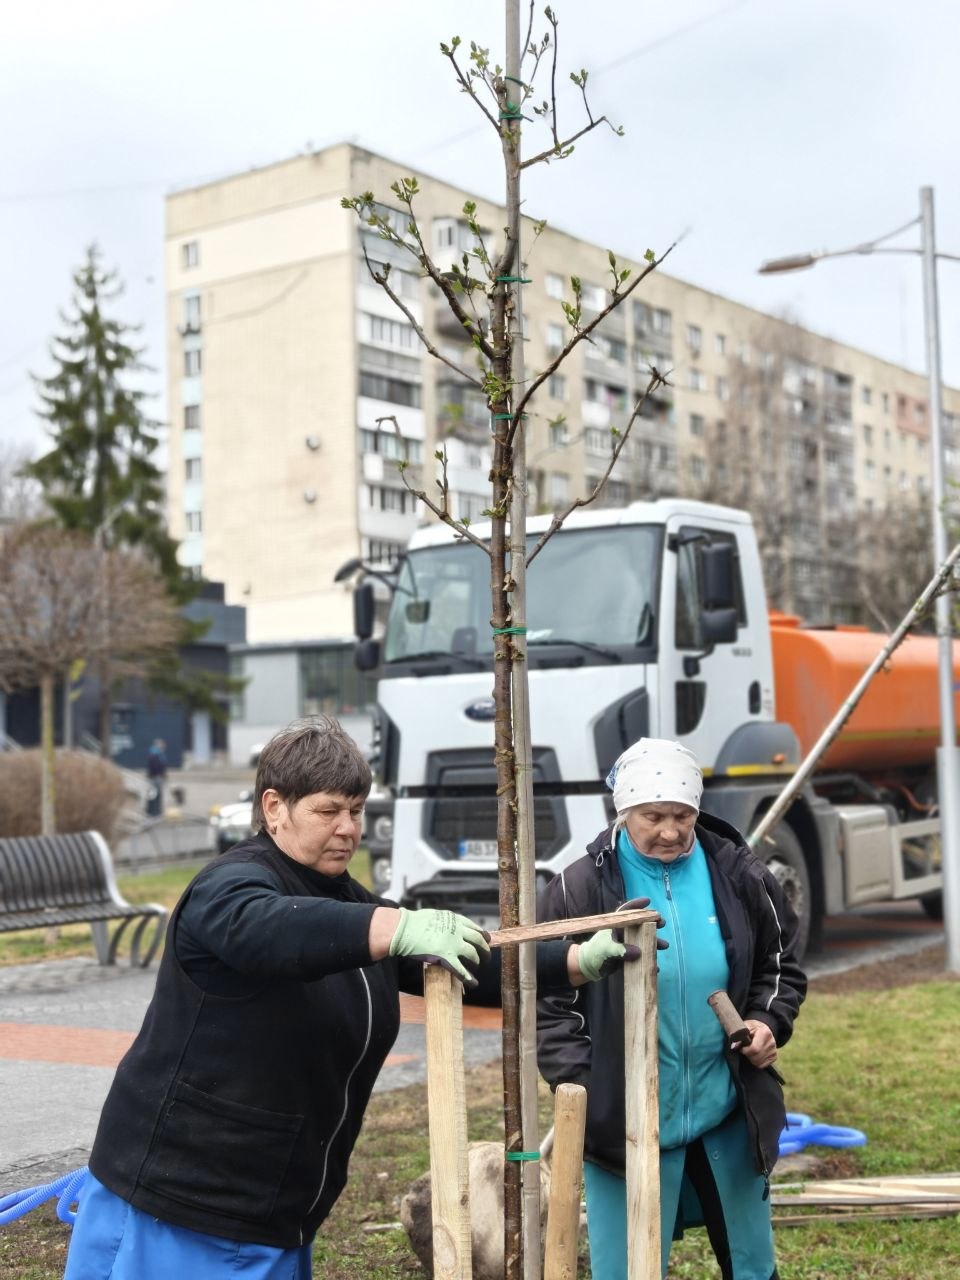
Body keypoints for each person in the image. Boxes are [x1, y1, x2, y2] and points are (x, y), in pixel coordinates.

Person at [64, 715, 644, 1280]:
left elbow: (456, 956)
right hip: (180, 1206)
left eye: (357, 811)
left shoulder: (341, 897)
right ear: (274, 808)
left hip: (275, 1210)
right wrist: (392, 927)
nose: (348, 828)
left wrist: (573, 959)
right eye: (327, 811)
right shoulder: (230, 886)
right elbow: (269, 929)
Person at [537, 737, 807, 1280]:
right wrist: (591, 1085)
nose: (670, 830)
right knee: (627, 1270)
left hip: (724, 1107)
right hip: (623, 1121)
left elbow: (780, 966)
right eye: (653, 816)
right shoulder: (579, 888)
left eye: (683, 816)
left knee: (753, 1267)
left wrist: (764, 1021)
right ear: (623, 811)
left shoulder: (738, 873)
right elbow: (548, 1002)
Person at [145, 737, 168, 817]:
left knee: (155, 795)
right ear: (158, 745)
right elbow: (154, 767)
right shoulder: (155, 755)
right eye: (161, 744)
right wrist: (159, 775)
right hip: (155, 778)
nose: (163, 746)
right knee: (154, 795)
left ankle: (155, 812)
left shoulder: (159, 754)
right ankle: (154, 813)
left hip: (157, 777)